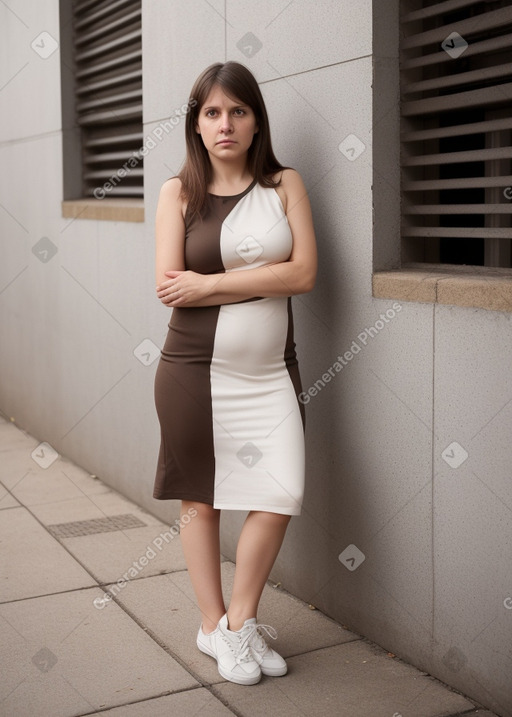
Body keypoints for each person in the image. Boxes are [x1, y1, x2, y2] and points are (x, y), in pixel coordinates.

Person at [152, 61, 317, 686]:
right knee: (202, 499)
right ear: (197, 124)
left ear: (256, 122)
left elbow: (304, 275)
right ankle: (212, 622)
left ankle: (238, 623)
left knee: (279, 493)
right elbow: (171, 289)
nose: (226, 124)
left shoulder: (285, 185)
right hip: (193, 372)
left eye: (238, 111)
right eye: (213, 112)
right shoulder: (179, 193)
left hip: (271, 372)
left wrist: (213, 283)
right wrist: (254, 280)